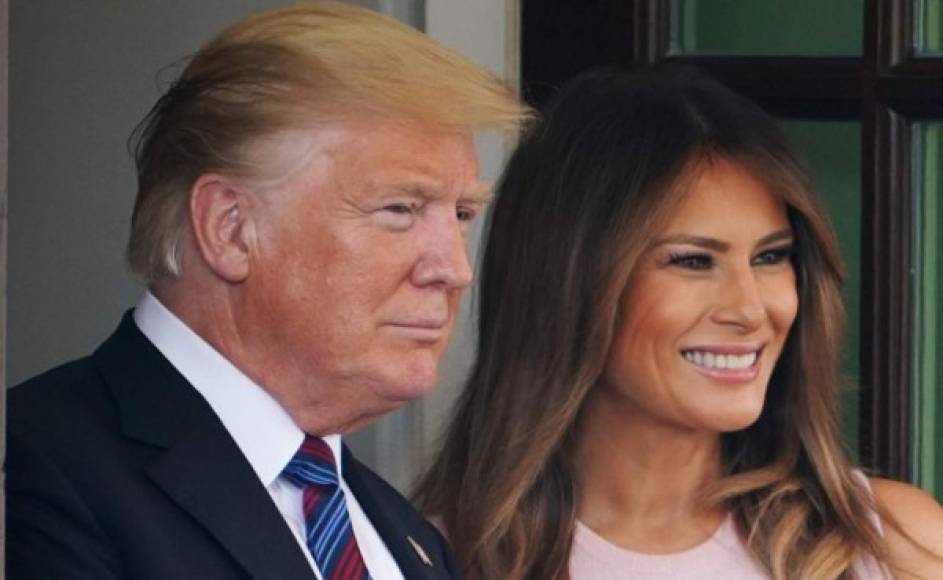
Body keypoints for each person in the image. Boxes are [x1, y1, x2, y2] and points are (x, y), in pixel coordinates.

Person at [6, 3, 528, 579]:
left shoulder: (408, 535)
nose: (454, 268)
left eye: (461, 213)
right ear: (230, 229)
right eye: (400, 209)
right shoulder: (38, 466)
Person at [414, 67, 943, 579]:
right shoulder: (427, 560)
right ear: (569, 280)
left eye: (771, 257)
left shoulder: (895, 546)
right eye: (693, 261)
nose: (751, 309)